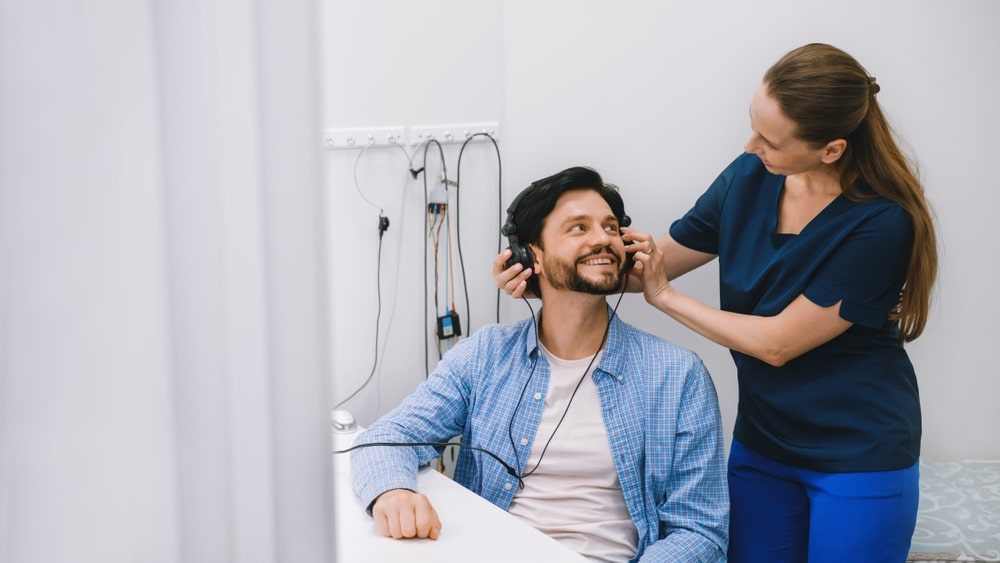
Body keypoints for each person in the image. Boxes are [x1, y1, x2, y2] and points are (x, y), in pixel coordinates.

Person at [495, 44, 938, 563]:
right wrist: (552, 272)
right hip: (764, 442)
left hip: (859, 452)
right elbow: (652, 267)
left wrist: (666, 298)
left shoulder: (880, 223)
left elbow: (777, 344)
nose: (750, 146)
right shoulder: (751, 175)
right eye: (752, 125)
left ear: (831, 150)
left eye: (770, 140)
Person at [350, 166, 729, 562]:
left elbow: (700, 531)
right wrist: (393, 491)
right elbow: (387, 437)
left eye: (611, 227)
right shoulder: (485, 356)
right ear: (532, 256)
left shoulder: (677, 375)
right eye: (578, 228)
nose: (602, 238)